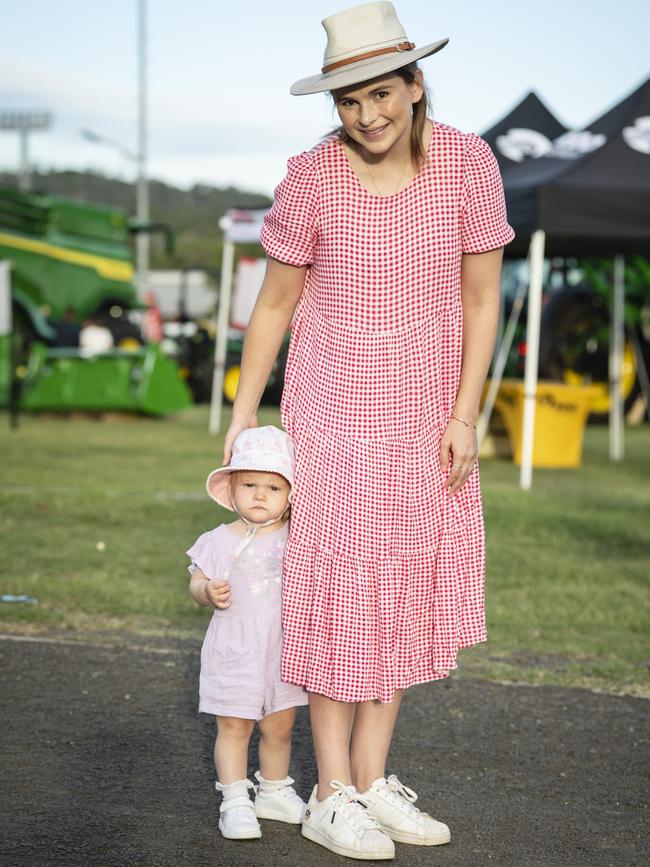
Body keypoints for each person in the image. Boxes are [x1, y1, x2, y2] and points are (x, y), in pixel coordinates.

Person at [224, 1, 514, 860]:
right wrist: (245, 414)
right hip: (333, 418)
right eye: (348, 102)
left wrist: (466, 413)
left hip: (428, 422)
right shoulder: (312, 175)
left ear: (416, 85)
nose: (367, 116)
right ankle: (329, 792)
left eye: (382, 94)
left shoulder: (469, 165)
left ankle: (374, 782)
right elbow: (274, 304)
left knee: (400, 598)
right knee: (337, 598)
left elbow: (481, 299)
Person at [187, 425, 308, 841]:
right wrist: (206, 590)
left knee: (280, 726)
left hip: (282, 649)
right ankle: (235, 799)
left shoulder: (298, 538)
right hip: (235, 649)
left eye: (273, 487)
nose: (260, 494)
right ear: (231, 489)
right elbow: (196, 582)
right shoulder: (218, 539)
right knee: (235, 727)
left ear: (290, 494)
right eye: (250, 484)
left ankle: (273, 790)